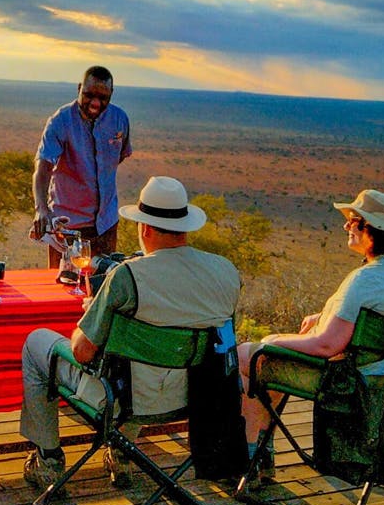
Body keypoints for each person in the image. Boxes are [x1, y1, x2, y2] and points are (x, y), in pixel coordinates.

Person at [19, 176, 241, 489]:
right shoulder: (226, 271)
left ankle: (48, 460)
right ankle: (122, 454)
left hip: (123, 400)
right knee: (141, 366)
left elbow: (83, 352)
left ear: (145, 228)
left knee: (36, 343)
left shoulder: (128, 276)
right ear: (185, 227)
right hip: (197, 396)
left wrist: (93, 316)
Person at [238, 189, 384, 478]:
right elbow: (360, 320)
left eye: (352, 221)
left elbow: (326, 345)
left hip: (347, 384)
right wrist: (324, 316)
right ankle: (264, 451)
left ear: (370, 229)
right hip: (381, 381)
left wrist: (271, 341)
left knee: (249, 356)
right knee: (267, 362)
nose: (346, 226)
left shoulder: (365, 279)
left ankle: (251, 457)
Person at [30, 65, 133, 268]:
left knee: (103, 287)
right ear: (79, 88)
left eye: (103, 98)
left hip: (106, 224)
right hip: (69, 227)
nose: (95, 103)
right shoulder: (60, 121)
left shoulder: (120, 119)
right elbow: (43, 167)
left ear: (112, 95)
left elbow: (120, 155)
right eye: (89, 95)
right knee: (64, 288)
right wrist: (41, 208)